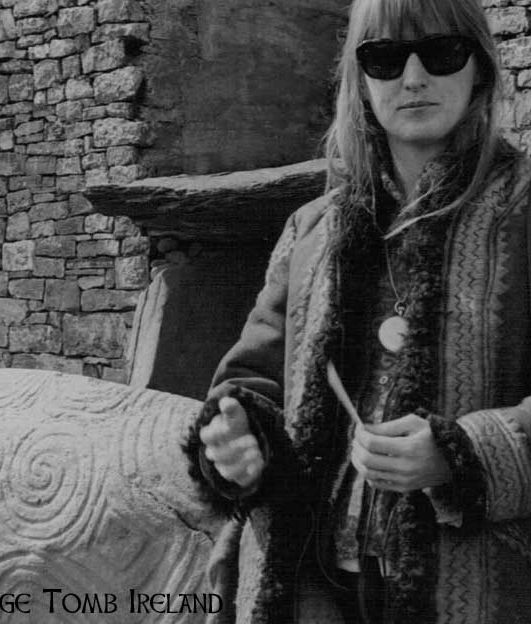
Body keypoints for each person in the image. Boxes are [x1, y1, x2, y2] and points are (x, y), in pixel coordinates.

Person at [183, 0, 531, 623]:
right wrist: (235, 437)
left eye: (442, 52)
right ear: (360, 79)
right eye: (386, 57)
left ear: (478, 66)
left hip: (481, 593)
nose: (413, 77)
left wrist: (463, 453)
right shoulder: (311, 228)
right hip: (307, 588)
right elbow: (251, 383)